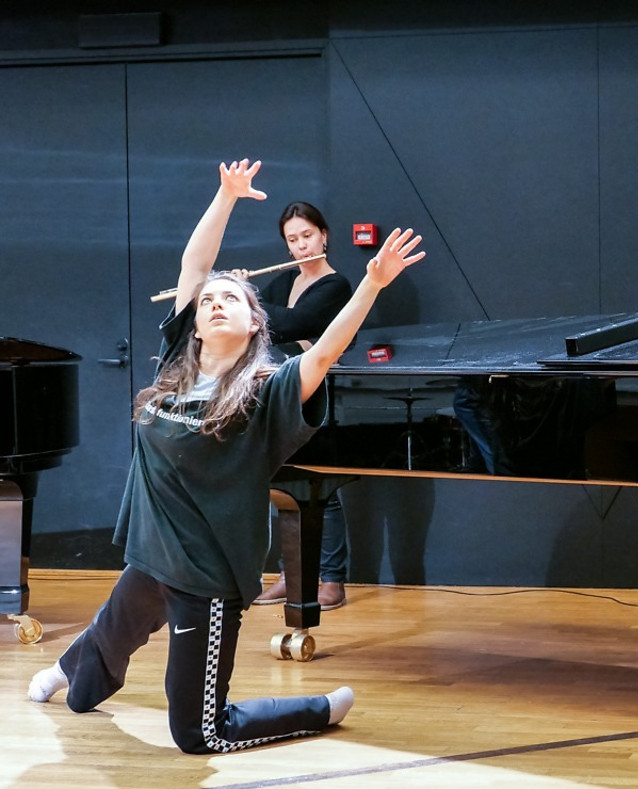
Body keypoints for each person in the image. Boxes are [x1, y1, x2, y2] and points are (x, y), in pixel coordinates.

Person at [26, 158, 425, 754]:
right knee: (87, 687)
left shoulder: (267, 390)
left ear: (255, 323)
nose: (214, 302)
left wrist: (372, 283)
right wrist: (226, 196)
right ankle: (72, 668)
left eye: (230, 298)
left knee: (199, 734)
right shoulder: (175, 366)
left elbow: (323, 354)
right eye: (208, 300)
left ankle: (318, 709)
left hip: (205, 576)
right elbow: (195, 266)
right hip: (150, 556)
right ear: (194, 323)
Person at [252, 201, 353, 610]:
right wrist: (244, 299)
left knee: (321, 488)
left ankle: (332, 579)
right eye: (292, 240)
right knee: (286, 486)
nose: (300, 246)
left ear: (323, 235)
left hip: (321, 393)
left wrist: (246, 298)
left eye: (307, 236)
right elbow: (261, 328)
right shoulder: (283, 283)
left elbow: (295, 324)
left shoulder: (336, 286)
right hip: (282, 393)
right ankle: (291, 575)